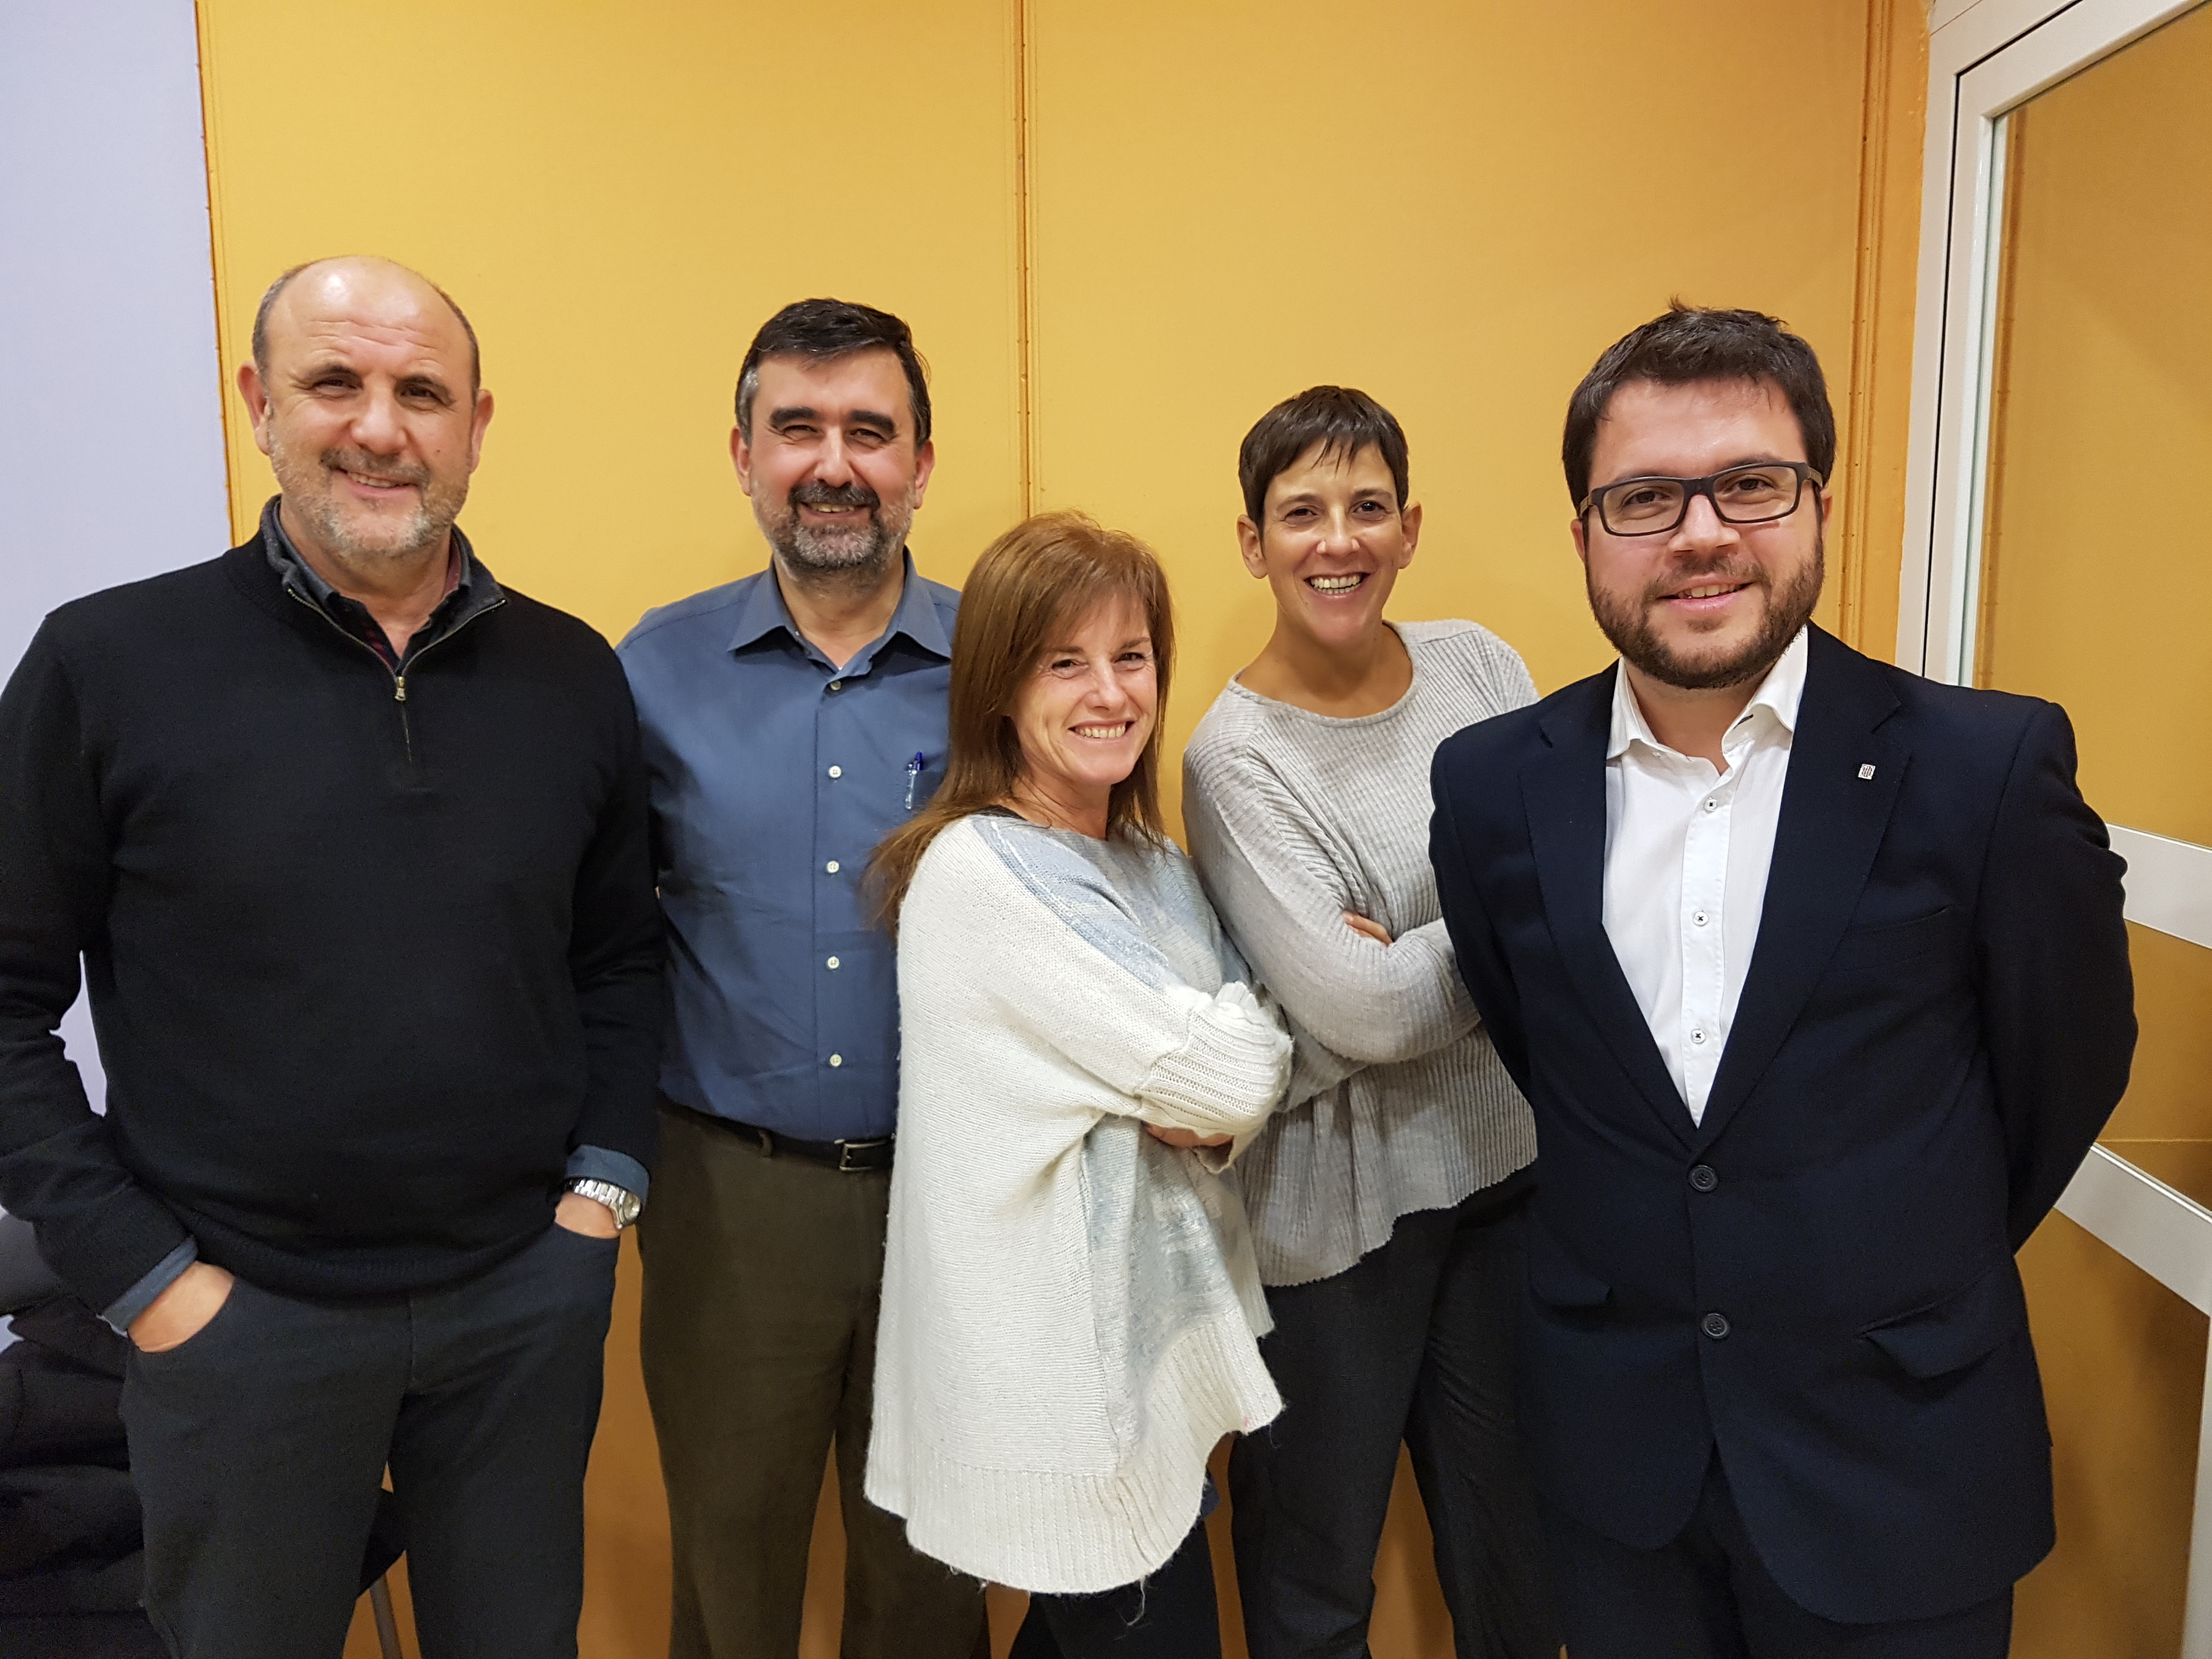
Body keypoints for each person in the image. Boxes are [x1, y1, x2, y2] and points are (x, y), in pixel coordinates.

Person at [1429, 303, 2136, 1658]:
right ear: (1582, 533)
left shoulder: (1983, 772)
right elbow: (1554, 1060)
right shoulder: (1490, 787)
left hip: (1898, 1458)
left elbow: (2068, 1068)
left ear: (1819, 505)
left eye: (1749, 485)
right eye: (1643, 497)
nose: (1701, 534)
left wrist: (1887, 1257)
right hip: (1619, 1469)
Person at [0, 255, 664, 1658]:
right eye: (334, 383)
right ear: (257, 405)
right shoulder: (107, 663)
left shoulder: (572, 674)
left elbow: (618, 962)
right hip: (239, 1324)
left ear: (479, 424)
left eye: (422, 392)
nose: (380, 428)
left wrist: (599, 1200)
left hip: (519, 1312)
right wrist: (143, 1278)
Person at [617, 298, 986, 1659]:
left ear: (921, 464)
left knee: (935, 1577)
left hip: (965, 1196)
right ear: (744, 453)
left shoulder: (1007, 663)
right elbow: (598, 938)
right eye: (798, 429)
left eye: (870, 431)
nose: (834, 462)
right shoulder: (649, 670)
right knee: (729, 1571)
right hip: (728, 1202)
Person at [865, 511, 1292, 1659]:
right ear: (1001, 688)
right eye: (1065, 662)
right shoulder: (977, 872)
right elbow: (1236, 1069)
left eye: (1132, 657)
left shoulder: (1148, 859)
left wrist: (1209, 1073)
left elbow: (1254, 1057)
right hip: (1065, 1385)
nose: (1109, 692)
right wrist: (1213, 1064)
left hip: (1151, 1362)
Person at [1182, 386, 1555, 1658]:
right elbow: (1372, 1011)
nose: (1337, 539)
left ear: (1408, 528)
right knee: (1314, 1587)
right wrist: (1495, 934)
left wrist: (1403, 958)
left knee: (1518, 1565)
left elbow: (1583, 888)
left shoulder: (1480, 666)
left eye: (1367, 507)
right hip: (1330, 1236)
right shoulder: (1235, 759)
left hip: (1507, 1183)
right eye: (1301, 513)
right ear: (1252, 542)